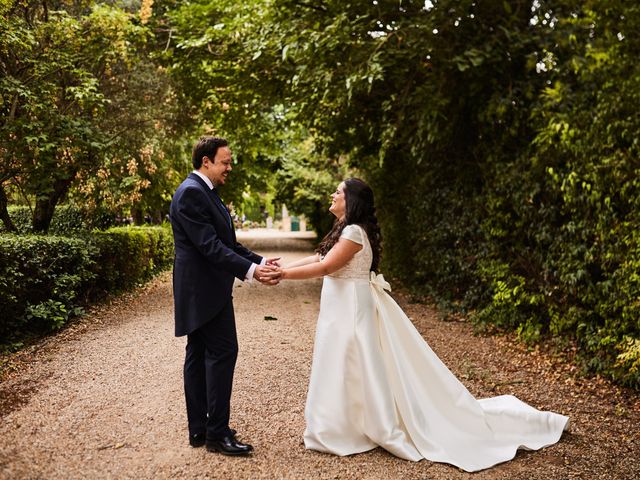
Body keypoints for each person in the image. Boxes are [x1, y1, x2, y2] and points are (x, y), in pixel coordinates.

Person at [264, 178, 569, 472]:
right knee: (343, 363)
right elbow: (319, 256)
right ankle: (344, 425)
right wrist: (284, 267)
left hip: (351, 308)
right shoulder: (346, 228)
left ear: (351, 200)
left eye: (338, 191)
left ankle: (359, 427)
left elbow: (327, 267)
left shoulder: (355, 232)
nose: (332, 195)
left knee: (355, 363)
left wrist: (282, 277)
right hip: (341, 306)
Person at [169, 136, 280, 456]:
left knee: (199, 354)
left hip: (204, 289)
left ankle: (201, 430)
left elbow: (227, 243)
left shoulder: (205, 192)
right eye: (225, 162)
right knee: (222, 352)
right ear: (206, 161)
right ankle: (216, 433)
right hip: (203, 291)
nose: (230, 167)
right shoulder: (192, 193)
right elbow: (210, 247)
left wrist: (259, 261)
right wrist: (251, 272)